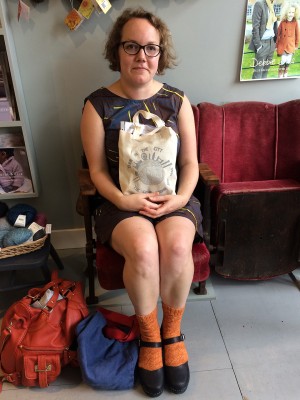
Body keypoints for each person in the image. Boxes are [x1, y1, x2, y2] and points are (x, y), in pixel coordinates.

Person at [80, 7, 203, 397]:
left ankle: (172, 333)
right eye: (132, 46)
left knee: (178, 244)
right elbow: (97, 171)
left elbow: (190, 164)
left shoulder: (177, 101)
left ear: (160, 53)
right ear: (117, 51)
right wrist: (123, 199)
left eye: (151, 48)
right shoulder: (96, 105)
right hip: (118, 202)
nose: (142, 56)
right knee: (145, 250)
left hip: (174, 198)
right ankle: (150, 338)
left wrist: (181, 198)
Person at [249, 0, 278, 79]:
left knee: (265, 72)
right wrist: (258, 46)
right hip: (262, 44)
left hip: (271, 42)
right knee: (258, 74)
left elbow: (274, 25)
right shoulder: (259, 4)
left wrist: (275, 42)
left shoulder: (271, 5)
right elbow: (255, 27)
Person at [276, 2, 300, 78]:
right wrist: (276, 45)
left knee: (288, 60)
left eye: (293, 12)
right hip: (282, 45)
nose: (291, 14)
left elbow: (297, 34)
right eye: (289, 12)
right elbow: (278, 34)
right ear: (286, 12)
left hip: (291, 45)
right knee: (283, 60)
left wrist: (296, 45)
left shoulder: (295, 22)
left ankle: (285, 72)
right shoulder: (282, 22)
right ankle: (280, 73)